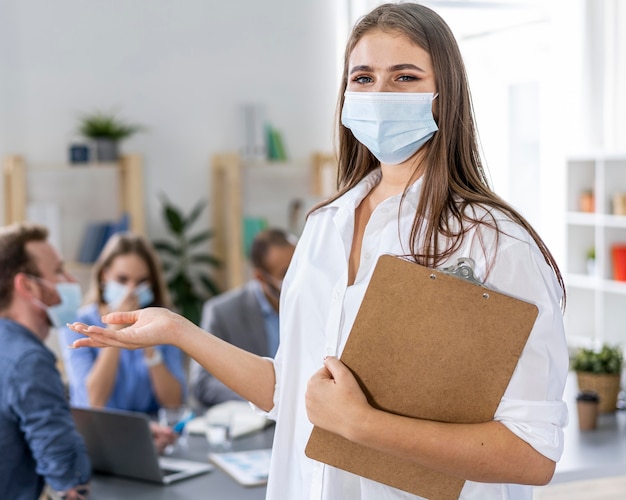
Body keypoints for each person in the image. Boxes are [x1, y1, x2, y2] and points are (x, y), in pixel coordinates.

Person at [68, 3, 569, 499]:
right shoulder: (323, 226)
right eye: (364, 78)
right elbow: (289, 391)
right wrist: (179, 331)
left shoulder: (493, 241)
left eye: (405, 77)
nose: (380, 95)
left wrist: (361, 426)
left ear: (446, 94)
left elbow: (532, 453)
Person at [0, 222, 91, 500]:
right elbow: (67, 477)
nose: (72, 281)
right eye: (59, 271)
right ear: (27, 285)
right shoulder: (30, 361)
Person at [62, 232, 186, 414]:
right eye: (122, 279)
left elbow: (174, 402)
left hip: (154, 432)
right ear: (105, 275)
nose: (131, 290)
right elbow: (94, 400)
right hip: (100, 431)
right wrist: (116, 326)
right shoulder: (79, 323)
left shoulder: (166, 321)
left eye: (141, 281)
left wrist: (148, 340)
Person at [189, 228, 296, 410]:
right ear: (261, 277)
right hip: (254, 422)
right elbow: (203, 384)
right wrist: (265, 396)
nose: (296, 278)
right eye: (286, 273)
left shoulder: (316, 303)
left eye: (300, 267)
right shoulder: (222, 312)